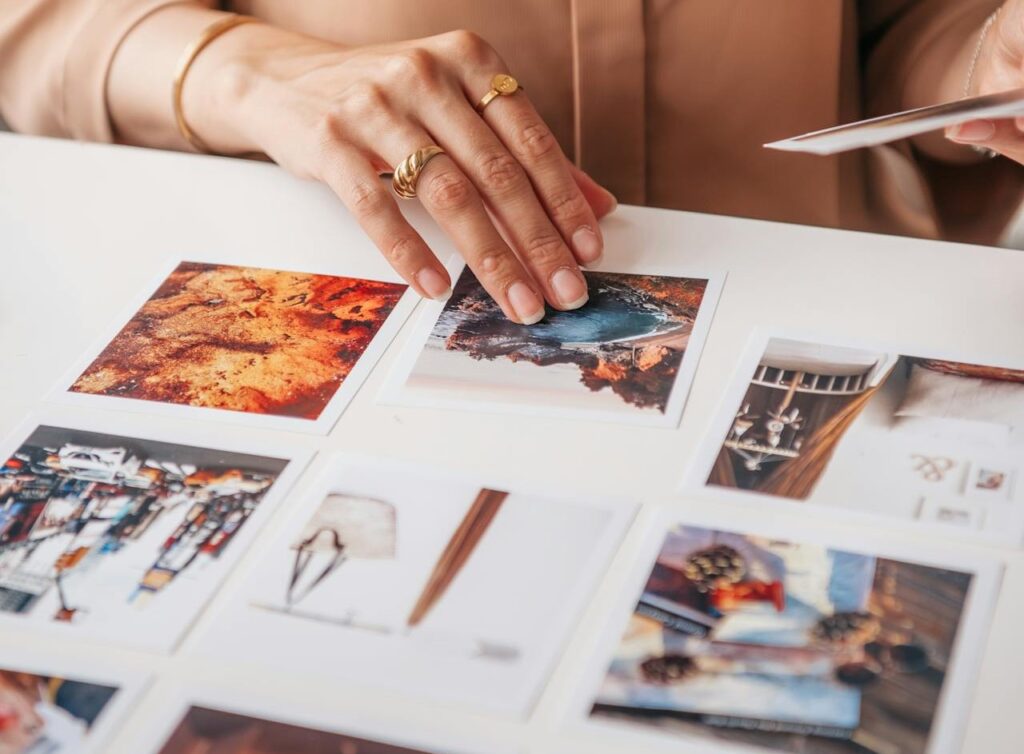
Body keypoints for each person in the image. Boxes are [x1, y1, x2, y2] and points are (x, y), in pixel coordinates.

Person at [1, 0, 1021, 324]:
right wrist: (246, 72)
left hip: (806, 313)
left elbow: (903, 23)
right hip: (346, 312)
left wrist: (988, 60)